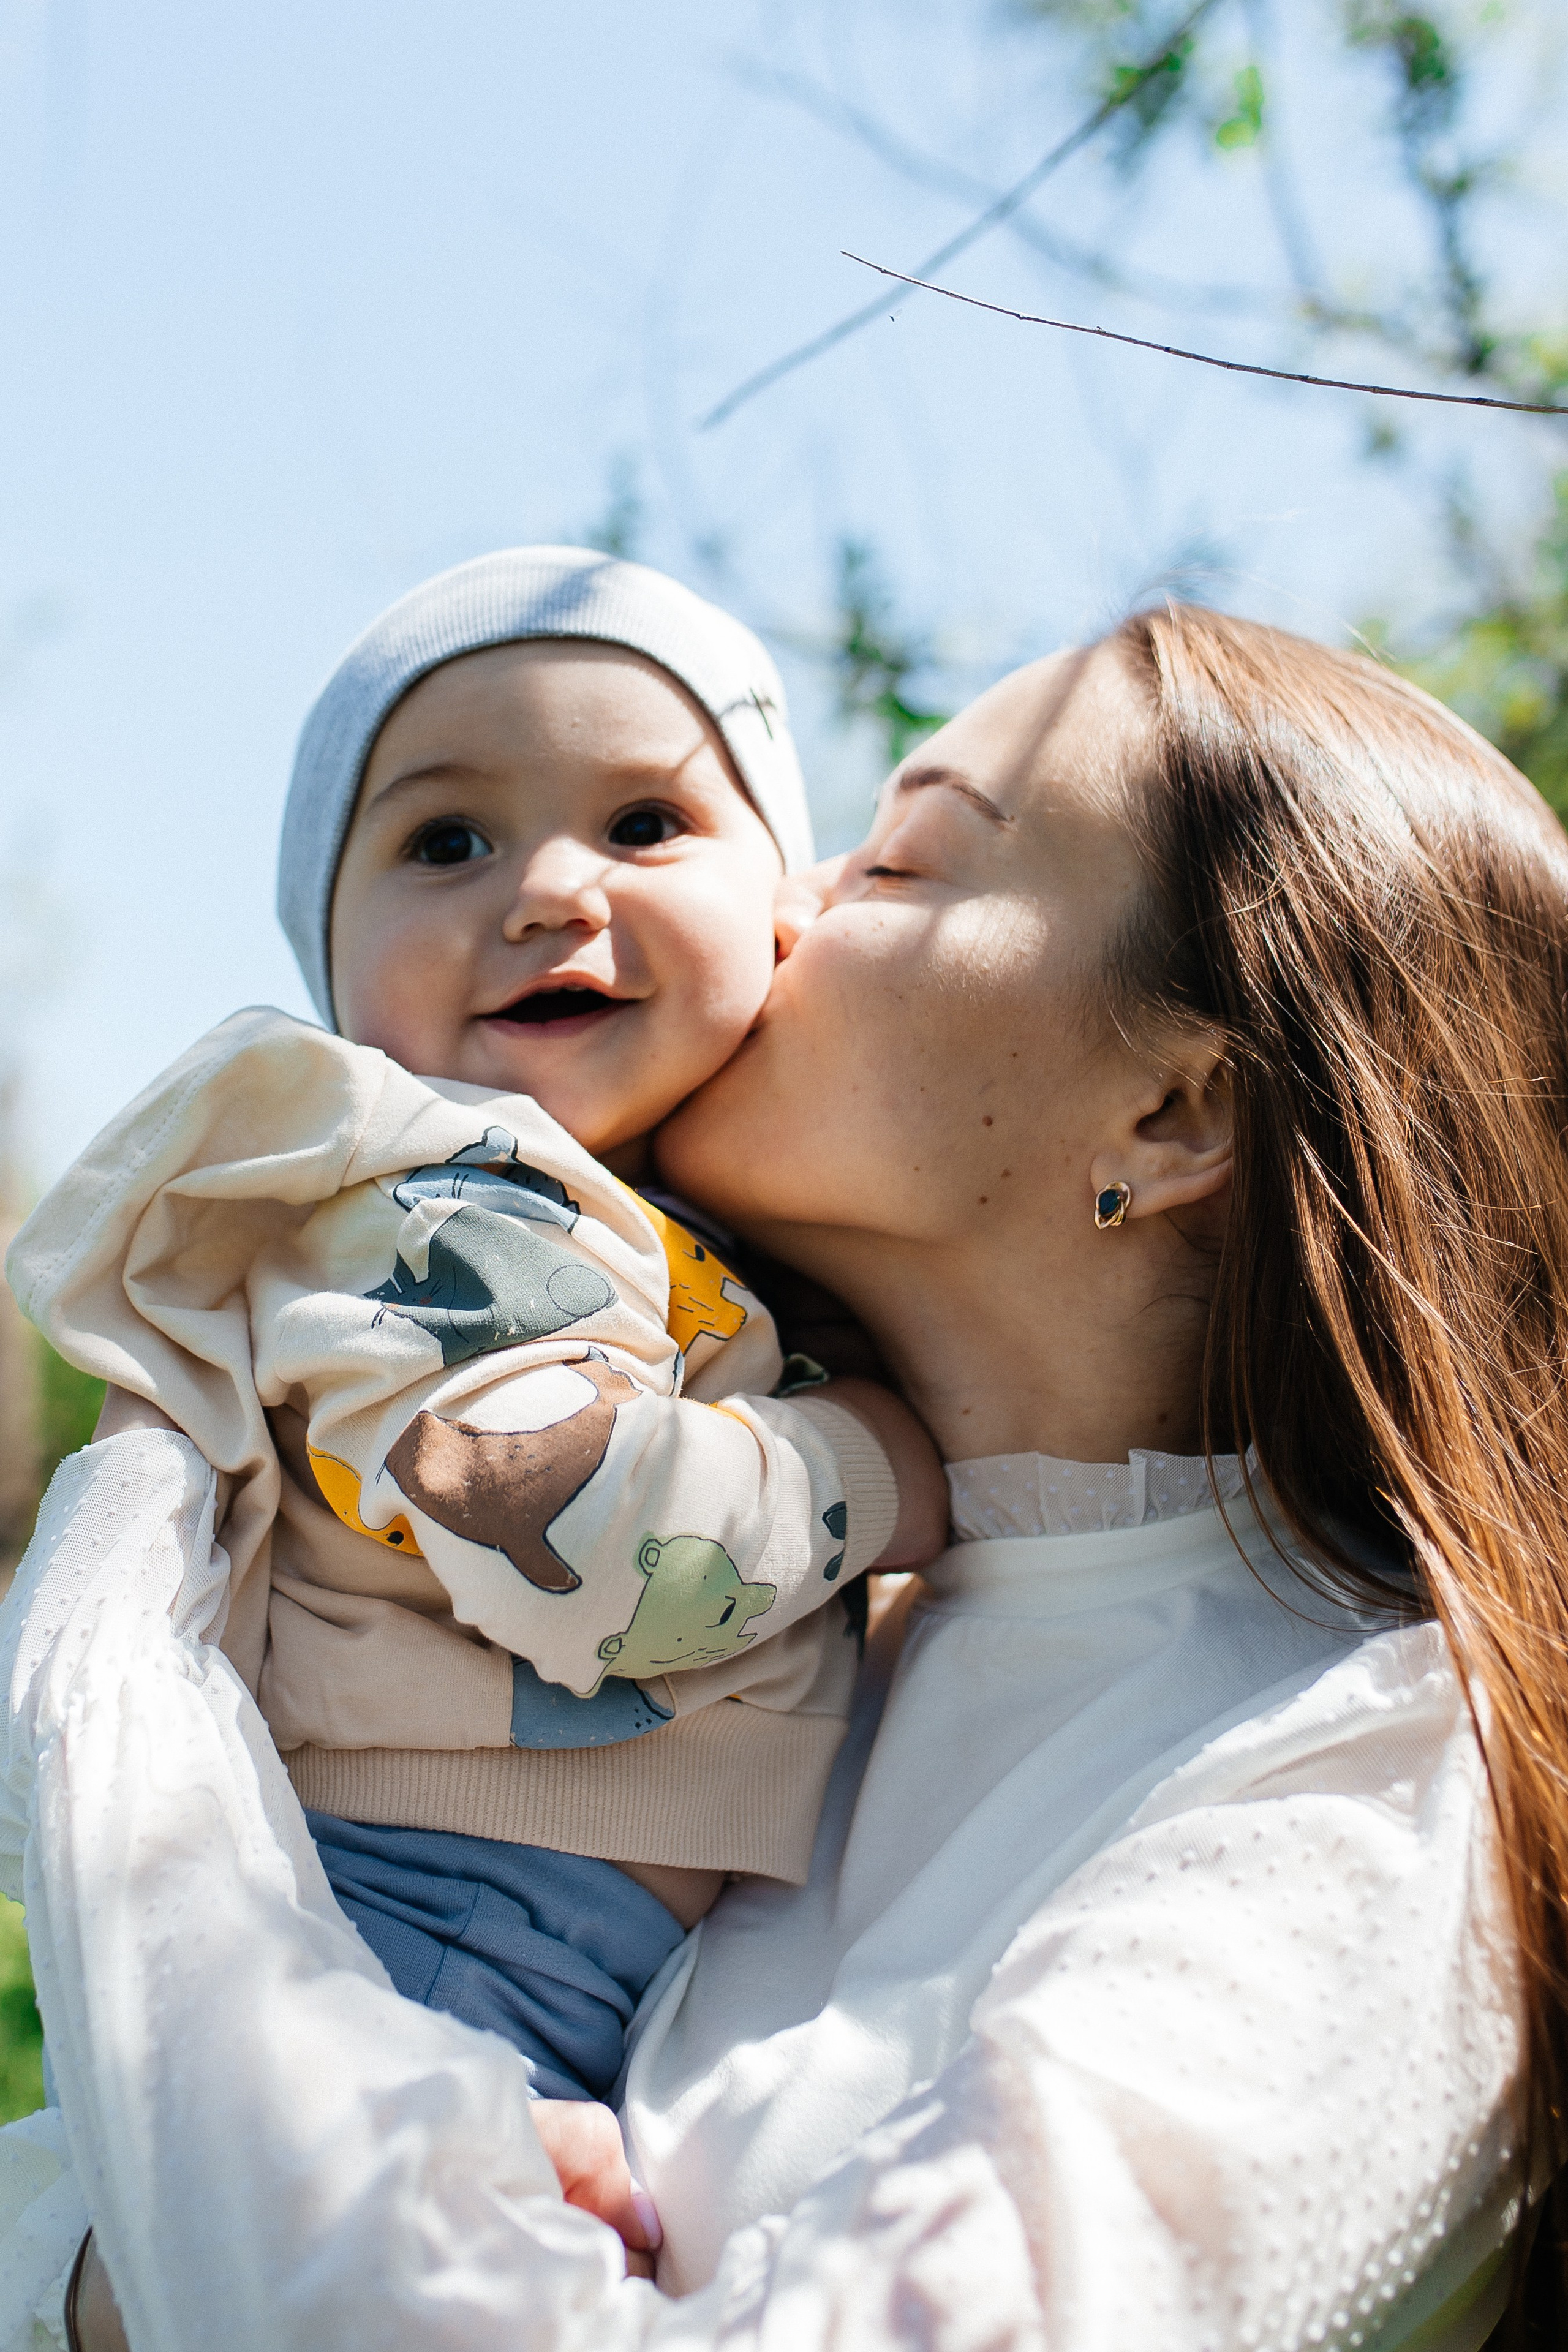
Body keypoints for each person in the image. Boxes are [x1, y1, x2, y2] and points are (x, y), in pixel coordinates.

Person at [3, 603, 1560, 2350]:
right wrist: (98, 2271)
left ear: (1172, 1117)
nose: (785, 902)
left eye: (900, 863)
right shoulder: (810, 1638)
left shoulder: (1377, 1782)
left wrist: (117, 1678)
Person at [6, 548, 943, 2116]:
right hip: (428, 1928)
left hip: (539, 1941)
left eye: (645, 824)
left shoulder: (662, 1223)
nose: (548, 890)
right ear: (332, 972)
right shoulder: (446, 1200)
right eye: (446, 840)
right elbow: (572, 1533)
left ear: (785, 908)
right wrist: (880, 1463)